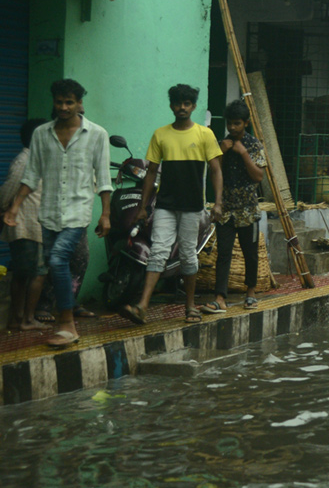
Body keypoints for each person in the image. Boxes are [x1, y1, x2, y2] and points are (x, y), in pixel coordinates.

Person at [3, 80, 112, 348]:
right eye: (59, 102)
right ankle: (65, 318)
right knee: (54, 263)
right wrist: (15, 206)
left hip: (78, 212)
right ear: (54, 102)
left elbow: (105, 178)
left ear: (79, 104)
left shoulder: (97, 134)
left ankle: (66, 323)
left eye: (69, 102)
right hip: (48, 213)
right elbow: (31, 175)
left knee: (58, 257)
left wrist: (106, 214)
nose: (63, 107)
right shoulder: (41, 134)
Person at [121, 84, 223, 325]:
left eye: (187, 103)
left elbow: (217, 169)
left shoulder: (204, 134)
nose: (182, 107)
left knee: (189, 256)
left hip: (192, 206)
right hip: (165, 204)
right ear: (171, 106)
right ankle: (142, 306)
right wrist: (143, 207)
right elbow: (151, 172)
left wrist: (218, 203)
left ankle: (190, 307)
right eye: (178, 103)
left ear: (194, 106)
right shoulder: (160, 134)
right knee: (158, 252)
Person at [201, 100, 264, 315]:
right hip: (226, 209)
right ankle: (220, 298)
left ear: (246, 123)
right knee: (224, 253)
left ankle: (251, 292)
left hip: (248, 210)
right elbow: (213, 171)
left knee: (250, 253)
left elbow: (258, 176)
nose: (232, 128)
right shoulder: (222, 144)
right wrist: (221, 151)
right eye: (230, 123)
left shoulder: (254, 144)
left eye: (237, 123)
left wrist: (243, 153)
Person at [1, 119, 50, 331]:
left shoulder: (36, 160)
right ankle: (25, 319)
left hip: (33, 226)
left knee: (25, 272)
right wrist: (5, 208)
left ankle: (18, 318)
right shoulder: (25, 162)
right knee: (35, 273)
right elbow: (8, 191)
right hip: (26, 226)